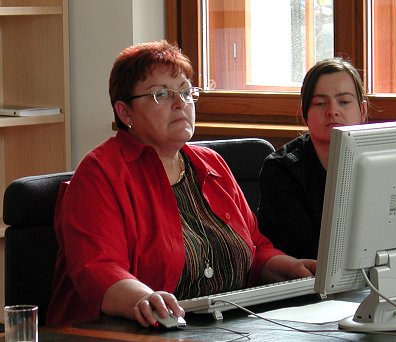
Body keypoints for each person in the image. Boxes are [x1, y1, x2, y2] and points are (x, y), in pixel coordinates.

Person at [46, 40, 316, 328]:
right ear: (125, 113)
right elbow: (97, 268)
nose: (180, 103)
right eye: (160, 94)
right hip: (128, 332)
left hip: (227, 326)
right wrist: (143, 299)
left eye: (186, 93)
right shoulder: (100, 174)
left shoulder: (211, 164)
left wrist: (291, 267)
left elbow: (254, 247)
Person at [257, 57, 368, 260]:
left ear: (362, 111)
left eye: (344, 102)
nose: (332, 111)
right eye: (320, 103)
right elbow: (305, 251)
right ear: (304, 113)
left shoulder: (381, 161)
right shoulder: (280, 170)